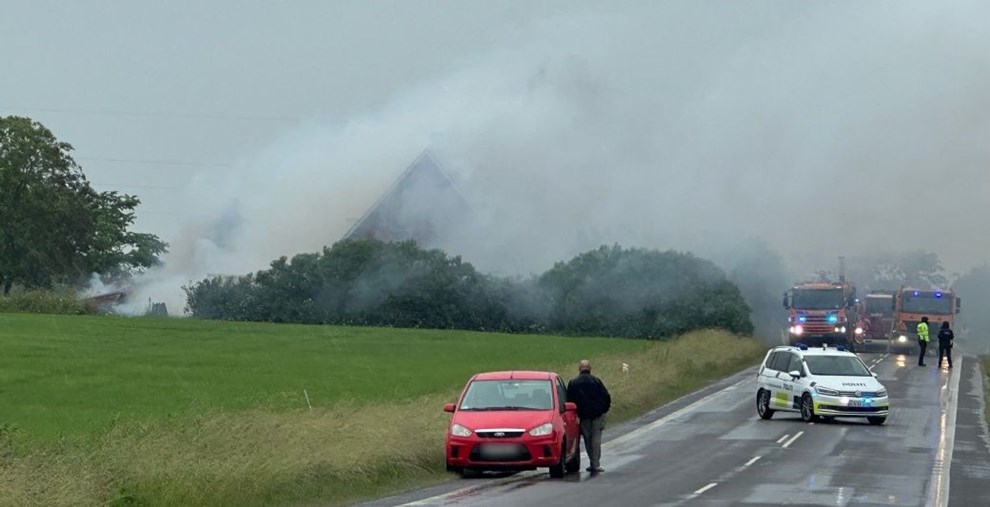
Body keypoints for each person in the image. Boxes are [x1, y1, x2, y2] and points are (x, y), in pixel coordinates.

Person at [567, 359, 611, 474]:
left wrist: (576, 414)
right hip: (597, 415)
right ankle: (595, 463)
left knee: (587, 439)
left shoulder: (573, 383)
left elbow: (569, 400)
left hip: (583, 416)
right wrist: (603, 410)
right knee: (596, 439)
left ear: (579, 369)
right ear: (590, 369)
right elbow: (606, 397)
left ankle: (593, 461)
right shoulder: (596, 381)